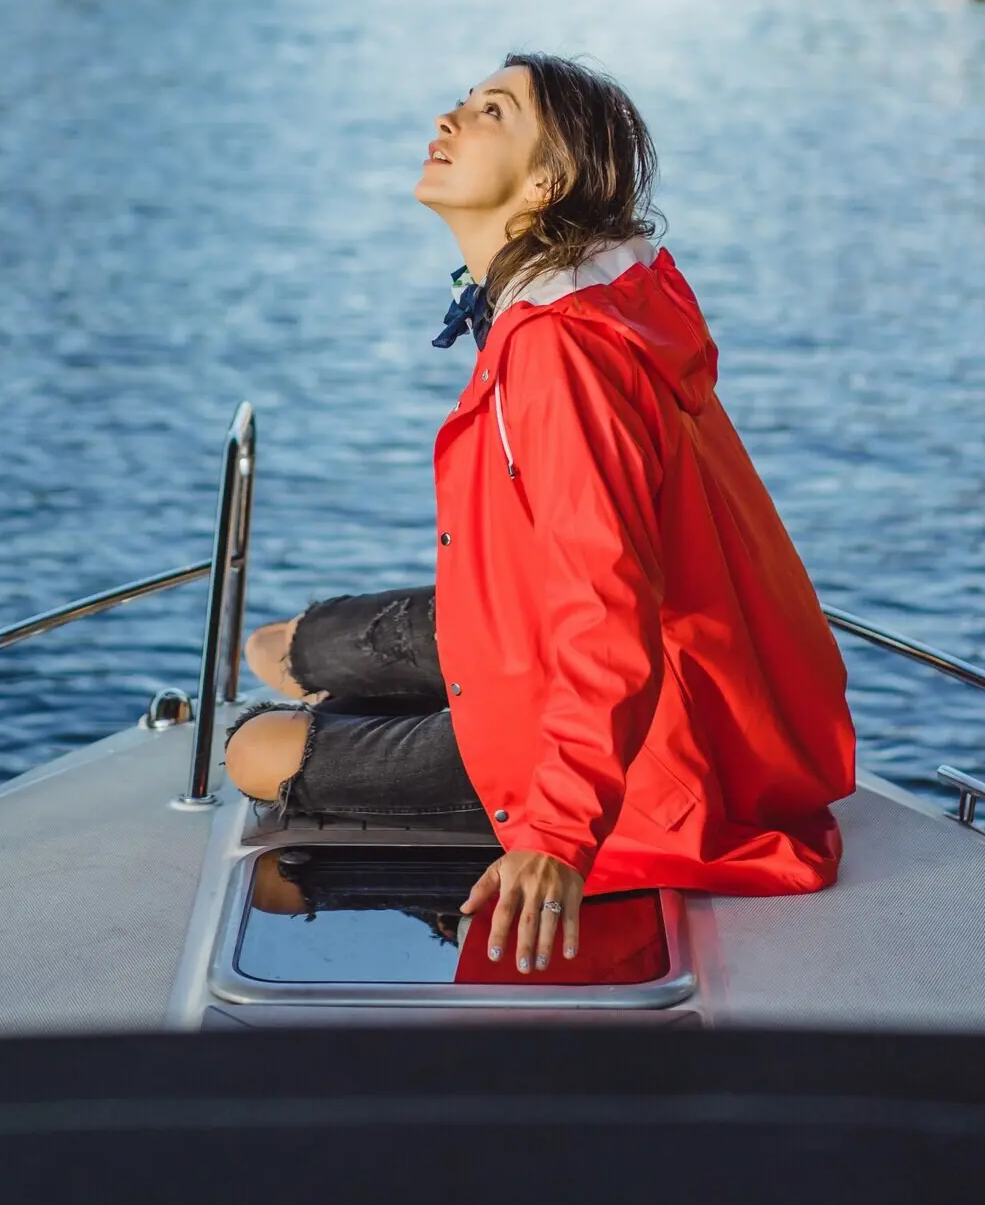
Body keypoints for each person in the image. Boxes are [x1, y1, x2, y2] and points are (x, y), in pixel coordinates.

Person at [225, 53, 856, 975]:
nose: (449, 116)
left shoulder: (561, 354)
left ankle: (420, 750)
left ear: (545, 181)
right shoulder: (569, 300)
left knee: (251, 755)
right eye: (464, 99)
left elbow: (610, 608)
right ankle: (385, 704)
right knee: (275, 649)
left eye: (492, 110)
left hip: (643, 747)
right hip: (522, 633)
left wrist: (558, 831)